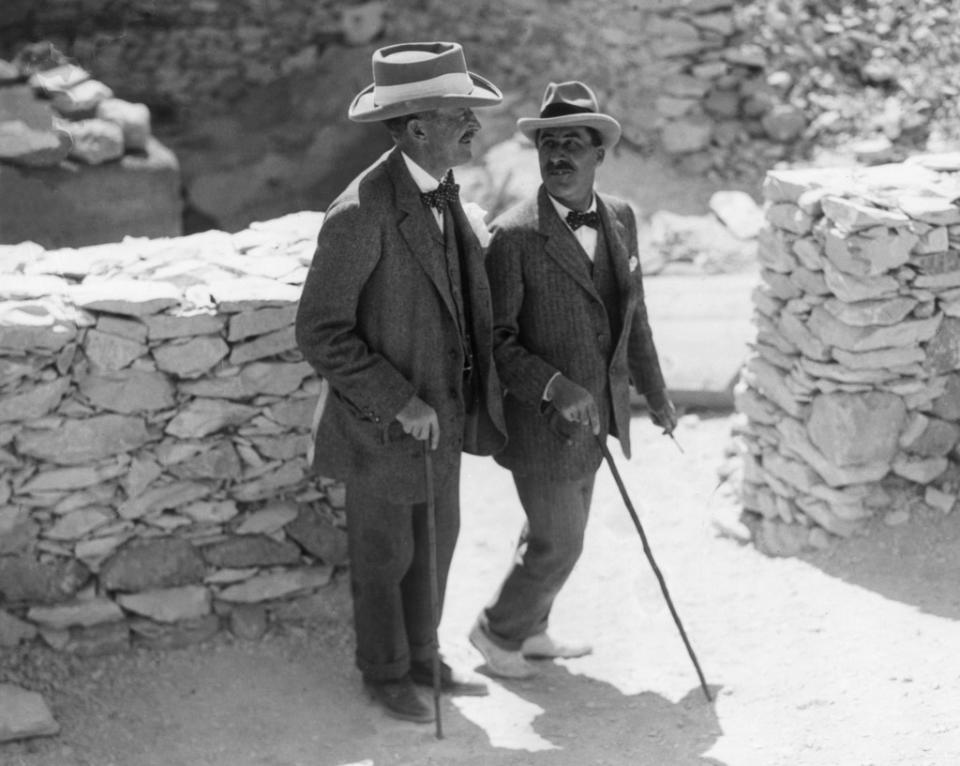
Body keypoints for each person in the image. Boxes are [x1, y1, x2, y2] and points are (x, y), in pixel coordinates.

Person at [295, 41, 507, 722]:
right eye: (461, 115)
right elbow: (321, 331)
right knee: (385, 557)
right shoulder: (361, 212)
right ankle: (384, 673)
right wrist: (399, 399)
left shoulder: (445, 196)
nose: (475, 127)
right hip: (384, 426)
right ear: (418, 128)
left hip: (439, 423)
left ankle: (423, 655)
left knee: (437, 546)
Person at [469, 81, 678, 679]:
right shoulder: (512, 236)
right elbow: (494, 342)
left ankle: (531, 631)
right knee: (561, 543)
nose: (559, 155)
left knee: (551, 531)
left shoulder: (619, 217)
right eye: (549, 144)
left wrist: (655, 393)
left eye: (573, 145)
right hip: (543, 424)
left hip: (599, 416)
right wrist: (554, 385)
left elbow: (633, 313)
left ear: (598, 154)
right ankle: (496, 630)